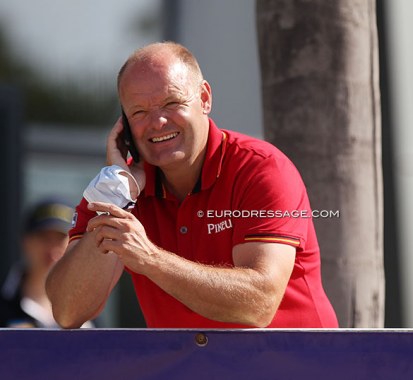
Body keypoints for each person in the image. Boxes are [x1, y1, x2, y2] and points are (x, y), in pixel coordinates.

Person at [46, 42, 338, 329]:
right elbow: (68, 311)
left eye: (171, 103)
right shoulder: (119, 187)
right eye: (139, 112)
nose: (158, 122)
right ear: (124, 123)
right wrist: (117, 197)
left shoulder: (261, 168)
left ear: (204, 98)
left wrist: (150, 258)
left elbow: (258, 304)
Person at [0, 199, 92, 328]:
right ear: (25, 241)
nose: (52, 248)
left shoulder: (87, 304)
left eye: (60, 238)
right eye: (44, 237)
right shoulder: (5, 303)